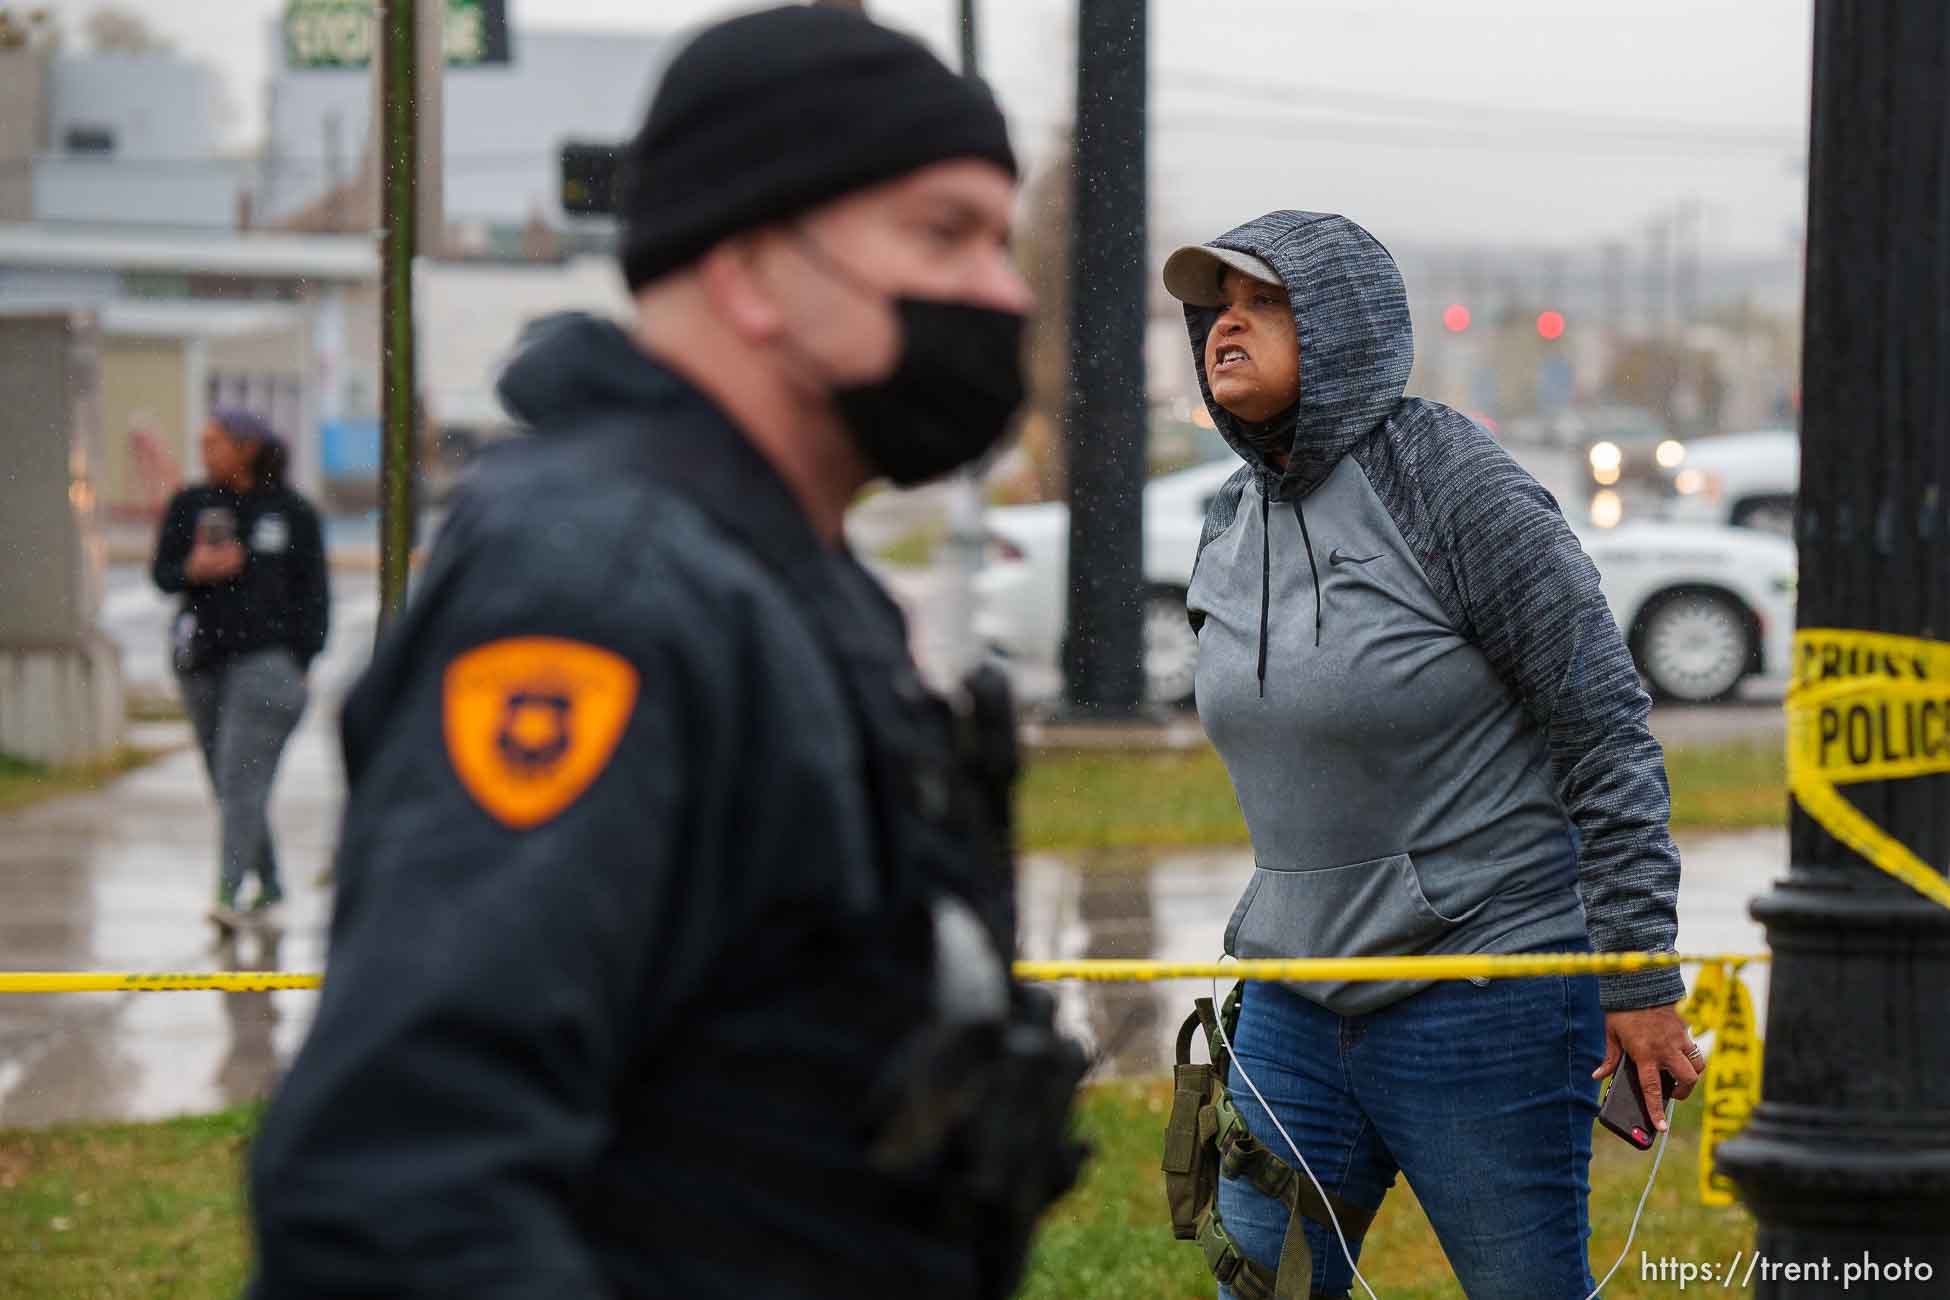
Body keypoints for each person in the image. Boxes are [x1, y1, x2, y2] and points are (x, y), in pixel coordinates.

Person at [245, 9, 1083, 1299]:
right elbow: (400, 1191)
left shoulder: (781, 571)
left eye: (1000, 238)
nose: (1005, 290)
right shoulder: (600, 594)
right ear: (748, 268)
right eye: (941, 233)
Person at [1160, 213, 1705, 1300]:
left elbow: (1604, 728)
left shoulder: (1455, 484)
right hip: (1292, 999)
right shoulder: (1228, 519)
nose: (1228, 324)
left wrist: (1637, 969)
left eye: (1263, 302)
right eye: (1215, 306)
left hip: (1484, 995)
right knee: (1263, 1288)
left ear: (1344, 326)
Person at [153, 408, 328, 933]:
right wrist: (195, 568)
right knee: (229, 784)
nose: (205, 451)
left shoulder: (291, 512)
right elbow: (162, 574)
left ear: (247, 447)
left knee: (239, 776)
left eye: (216, 442)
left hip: (267, 663)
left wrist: (302, 661)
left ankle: (227, 892)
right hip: (203, 662)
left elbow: (314, 595)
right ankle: (268, 882)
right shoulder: (191, 505)